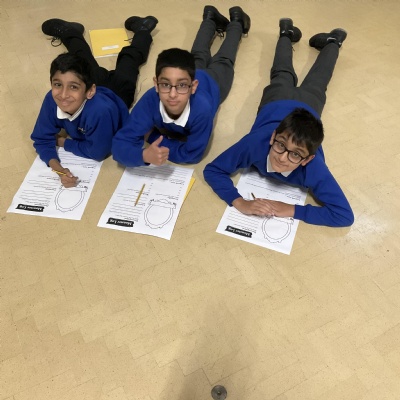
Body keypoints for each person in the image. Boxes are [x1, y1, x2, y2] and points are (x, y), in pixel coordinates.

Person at [203, 19, 354, 228]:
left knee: (310, 78)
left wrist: (291, 209)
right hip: (277, 100)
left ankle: (329, 40)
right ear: (273, 136)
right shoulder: (255, 143)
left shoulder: (314, 167)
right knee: (285, 73)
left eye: (296, 154)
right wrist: (240, 202)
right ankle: (288, 33)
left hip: (307, 107)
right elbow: (213, 170)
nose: (281, 158)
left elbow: (344, 216)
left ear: (308, 159)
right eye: (280, 145)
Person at [112, 5, 251, 167]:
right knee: (197, 55)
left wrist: (152, 137)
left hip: (213, 83)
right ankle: (210, 19)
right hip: (189, 74)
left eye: (181, 86)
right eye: (165, 85)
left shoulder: (202, 110)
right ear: (156, 84)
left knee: (223, 60)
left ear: (193, 86)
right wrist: (143, 155)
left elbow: (192, 154)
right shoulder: (150, 99)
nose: (172, 94)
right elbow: (119, 144)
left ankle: (236, 23)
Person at [31, 16, 158, 187]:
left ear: (90, 90)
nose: (63, 94)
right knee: (80, 57)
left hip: (118, 92)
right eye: (57, 84)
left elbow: (97, 152)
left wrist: (61, 141)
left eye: (72, 87)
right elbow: (41, 139)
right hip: (90, 85)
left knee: (129, 59)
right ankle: (69, 31)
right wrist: (59, 170)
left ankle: (142, 30)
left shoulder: (100, 111)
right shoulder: (53, 98)